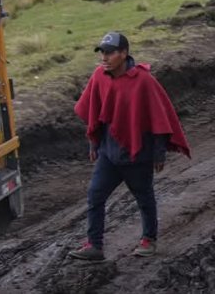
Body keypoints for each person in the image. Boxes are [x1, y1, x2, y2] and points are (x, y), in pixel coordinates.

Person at [69, 32, 191, 261]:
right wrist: (94, 144)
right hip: (109, 153)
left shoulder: (143, 80)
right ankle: (94, 245)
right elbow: (94, 115)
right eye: (102, 53)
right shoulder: (99, 77)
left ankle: (148, 240)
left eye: (110, 53)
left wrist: (158, 153)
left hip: (138, 153)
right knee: (95, 195)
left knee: (144, 197)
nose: (105, 58)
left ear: (124, 54)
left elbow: (158, 118)